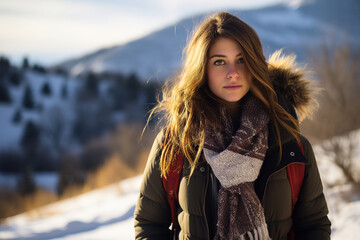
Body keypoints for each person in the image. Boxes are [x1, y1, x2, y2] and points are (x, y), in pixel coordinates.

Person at [134, 12, 331, 240]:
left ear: (255, 64)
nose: (233, 73)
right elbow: (149, 224)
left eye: (241, 60)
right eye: (219, 62)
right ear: (202, 69)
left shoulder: (290, 143)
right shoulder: (177, 142)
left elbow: (314, 225)